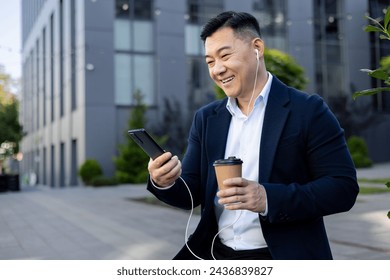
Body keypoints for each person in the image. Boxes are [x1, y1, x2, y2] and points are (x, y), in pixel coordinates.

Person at [147, 11, 359, 260]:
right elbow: (190, 193)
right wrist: (165, 181)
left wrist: (267, 197)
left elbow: (342, 188)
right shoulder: (206, 119)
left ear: (257, 48)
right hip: (217, 255)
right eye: (209, 62)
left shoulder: (308, 110)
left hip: (285, 256)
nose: (218, 69)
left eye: (225, 55)